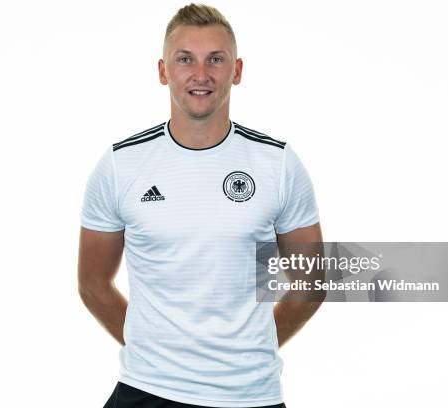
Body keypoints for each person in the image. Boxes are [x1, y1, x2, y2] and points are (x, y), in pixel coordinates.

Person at [78, 3, 324, 407]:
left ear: (237, 70)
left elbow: (311, 283)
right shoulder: (121, 165)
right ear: (163, 71)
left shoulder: (277, 164)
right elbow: (92, 283)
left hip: (250, 396)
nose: (201, 75)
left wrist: (245, 353)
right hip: (147, 391)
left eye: (215, 59)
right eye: (185, 60)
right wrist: (159, 356)